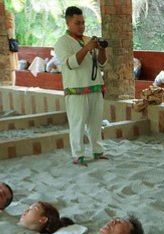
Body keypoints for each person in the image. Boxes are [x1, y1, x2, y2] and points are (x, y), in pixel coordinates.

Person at [54, 6, 108, 166]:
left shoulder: (87, 40)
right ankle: (78, 155)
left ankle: (98, 151)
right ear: (68, 23)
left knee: (96, 124)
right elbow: (71, 63)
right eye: (78, 23)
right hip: (75, 91)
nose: (82, 26)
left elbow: (101, 64)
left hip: (95, 88)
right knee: (77, 125)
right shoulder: (62, 42)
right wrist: (87, 48)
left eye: (83, 22)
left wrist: (102, 49)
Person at [6, 10, 19, 85]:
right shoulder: (8, 13)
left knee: (11, 68)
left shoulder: (7, 13)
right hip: (8, 43)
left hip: (8, 44)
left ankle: (12, 87)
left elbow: (10, 29)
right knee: (11, 68)